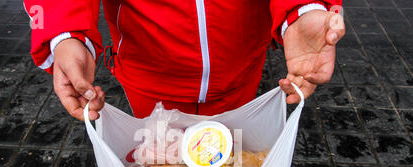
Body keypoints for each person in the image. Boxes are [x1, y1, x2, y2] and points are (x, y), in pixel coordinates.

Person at [24, 0, 345, 121]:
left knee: (226, 165)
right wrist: (65, 32)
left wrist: (303, 8)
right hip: (147, 71)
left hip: (239, 68)